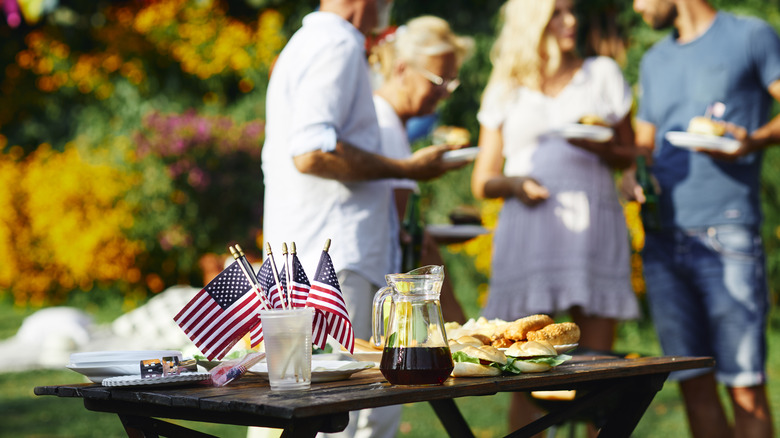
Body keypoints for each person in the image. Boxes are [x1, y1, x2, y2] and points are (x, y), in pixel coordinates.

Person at [261, 1, 466, 437]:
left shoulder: (313, 41)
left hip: (316, 259)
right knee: (332, 416)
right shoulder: (335, 42)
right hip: (335, 265)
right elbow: (312, 152)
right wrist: (408, 169)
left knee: (299, 411)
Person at [470, 0, 640, 433]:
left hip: (594, 225)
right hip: (530, 230)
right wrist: (515, 184)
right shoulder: (507, 85)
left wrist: (608, 154)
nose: (572, 21)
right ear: (534, 20)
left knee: (598, 373)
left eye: (572, 11)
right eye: (558, 12)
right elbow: (483, 179)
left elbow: (631, 153)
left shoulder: (601, 73)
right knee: (522, 363)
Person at [625, 0, 780, 437]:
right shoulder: (655, 60)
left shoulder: (751, 36)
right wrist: (630, 176)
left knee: (745, 386)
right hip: (661, 241)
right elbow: (645, 146)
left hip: (726, 232)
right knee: (692, 385)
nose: (637, 7)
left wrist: (753, 141)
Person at [370, 15, 474, 323]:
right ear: (402, 69)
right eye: (438, 81)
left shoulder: (392, 125)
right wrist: (457, 325)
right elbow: (414, 235)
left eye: (451, 83)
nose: (445, 93)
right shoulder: (384, 124)